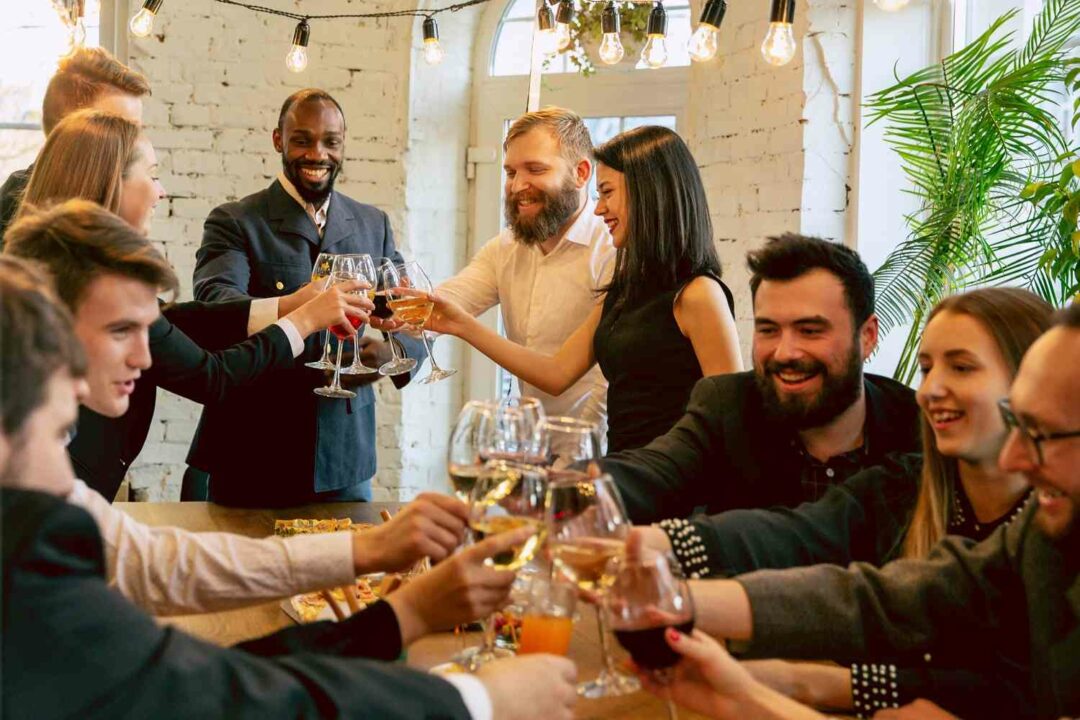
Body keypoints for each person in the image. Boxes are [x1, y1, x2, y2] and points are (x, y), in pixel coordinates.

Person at [0, 255, 580, 720]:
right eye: (59, 434)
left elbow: (166, 574)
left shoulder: (42, 507)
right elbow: (212, 692)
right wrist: (478, 702)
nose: (149, 356)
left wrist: (391, 598)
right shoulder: (29, 544)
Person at [5, 205, 518, 638]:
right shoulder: (235, 221)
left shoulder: (44, 470)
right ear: (46, 327)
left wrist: (369, 552)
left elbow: (163, 563)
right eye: (122, 331)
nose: (146, 360)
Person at [635, 287, 1051, 717]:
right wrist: (660, 552)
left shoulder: (1053, 526)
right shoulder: (905, 483)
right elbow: (806, 543)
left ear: (1035, 386)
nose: (930, 390)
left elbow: (1014, 688)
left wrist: (805, 687)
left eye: (962, 367)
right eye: (926, 369)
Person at [10, 110, 367, 501]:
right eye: (153, 173)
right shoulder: (100, 279)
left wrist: (285, 305)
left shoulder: (53, 264)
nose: (162, 191)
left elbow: (170, 320)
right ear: (114, 182)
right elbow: (212, 378)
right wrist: (303, 320)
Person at [430, 126, 742, 454]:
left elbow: (730, 419)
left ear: (648, 194)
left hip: (673, 486)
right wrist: (459, 324)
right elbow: (555, 373)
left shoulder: (699, 294)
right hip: (626, 475)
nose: (598, 207)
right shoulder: (626, 287)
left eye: (607, 192)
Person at [191, 88, 425, 506]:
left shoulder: (374, 223)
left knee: (347, 572)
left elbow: (412, 317)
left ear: (342, 144)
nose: (317, 153)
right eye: (302, 139)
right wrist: (299, 305)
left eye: (330, 142)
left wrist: (385, 354)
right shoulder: (235, 221)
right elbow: (215, 307)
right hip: (252, 451)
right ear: (279, 140)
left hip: (345, 457)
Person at [592, 233, 921, 524]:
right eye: (768, 330)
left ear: (867, 336)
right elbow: (649, 473)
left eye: (810, 331)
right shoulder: (729, 406)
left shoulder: (917, 433)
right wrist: (562, 486)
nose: (784, 352)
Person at [437, 107, 615, 439]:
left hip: (598, 452)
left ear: (581, 172)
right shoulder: (505, 248)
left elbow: (607, 381)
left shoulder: (611, 249)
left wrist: (577, 454)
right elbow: (448, 302)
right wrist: (393, 310)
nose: (518, 185)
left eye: (535, 169)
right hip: (529, 446)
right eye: (510, 172)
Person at [0, 46, 150, 239]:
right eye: (116, 128)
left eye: (135, 131)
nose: (134, 143)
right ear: (68, 132)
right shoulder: (14, 222)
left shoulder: (114, 200)